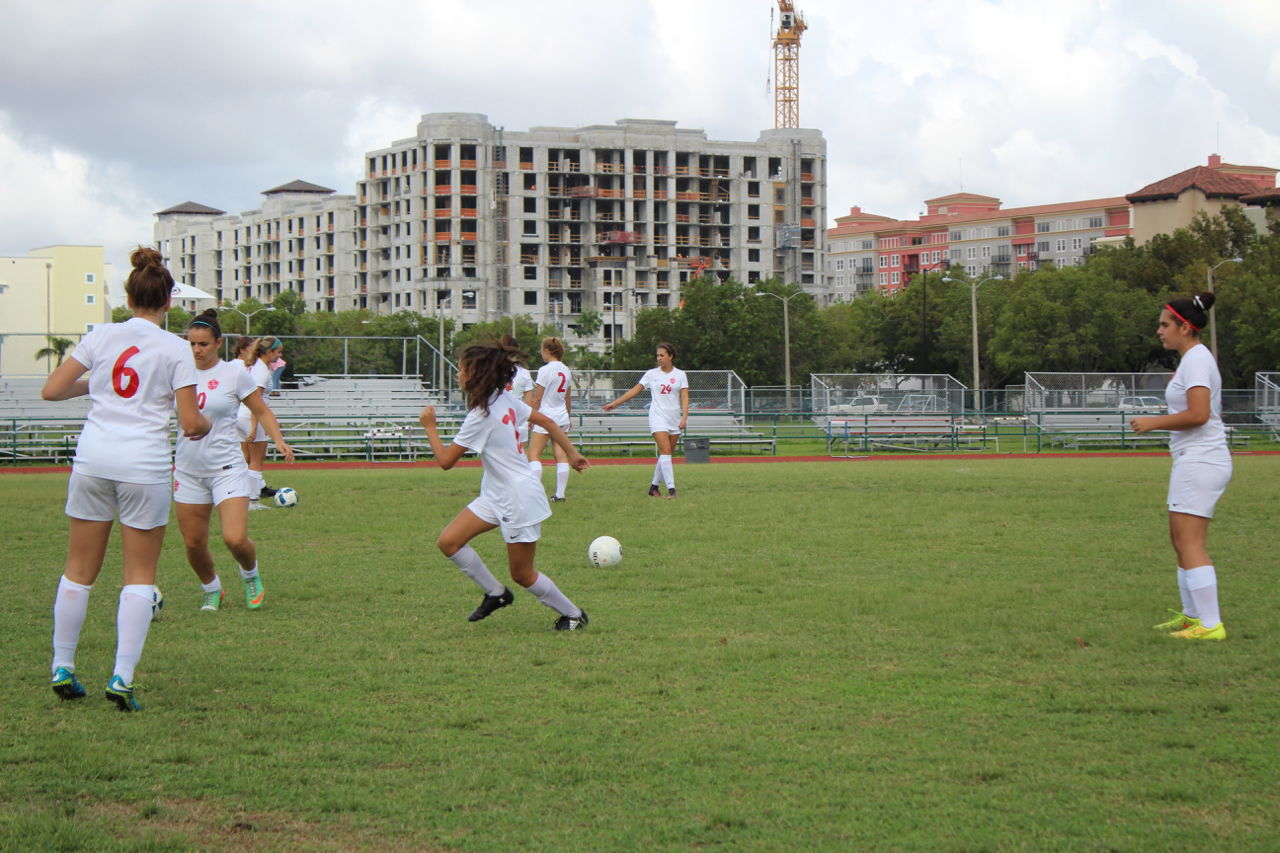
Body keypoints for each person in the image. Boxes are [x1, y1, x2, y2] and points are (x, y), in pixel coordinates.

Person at [43, 246, 211, 712]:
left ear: (129, 295)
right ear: (168, 302)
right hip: (143, 465)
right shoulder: (177, 348)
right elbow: (190, 422)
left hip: (93, 459)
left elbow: (52, 389)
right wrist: (209, 424)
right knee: (139, 576)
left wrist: (95, 384)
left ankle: (62, 666)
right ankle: (121, 678)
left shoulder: (100, 336)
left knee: (78, 571)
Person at [419, 339, 591, 631]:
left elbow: (446, 461)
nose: (458, 375)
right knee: (449, 542)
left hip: (517, 498)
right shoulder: (502, 398)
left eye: (461, 370)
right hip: (497, 493)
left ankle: (574, 615)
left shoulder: (481, 414)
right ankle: (496, 594)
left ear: (475, 374)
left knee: (522, 574)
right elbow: (549, 422)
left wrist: (430, 428)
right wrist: (571, 453)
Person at [176, 310, 295, 613]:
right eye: (191, 344)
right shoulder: (177, 372)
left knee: (235, 539)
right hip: (188, 472)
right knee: (193, 544)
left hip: (226, 468)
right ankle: (212, 589)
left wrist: (278, 439)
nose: (196, 350)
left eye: (203, 344)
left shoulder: (233, 373)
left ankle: (250, 575)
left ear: (217, 343)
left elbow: (262, 410)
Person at [1131, 292, 1232, 641]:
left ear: (1185, 327)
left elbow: (1200, 414)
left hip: (1202, 459)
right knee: (1180, 541)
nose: (1159, 331)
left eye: (1165, 324)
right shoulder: (1191, 359)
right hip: (1193, 459)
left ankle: (1210, 624)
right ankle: (1193, 616)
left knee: (1190, 543)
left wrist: (1153, 423)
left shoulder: (1197, 361)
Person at [602, 342, 689, 498]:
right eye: (657, 355)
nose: (659, 358)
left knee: (667, 455)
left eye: (662, 355)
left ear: (671, 356)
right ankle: (672, 489)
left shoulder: (680, 375)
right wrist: (615, 403)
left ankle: (654, 488)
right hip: (658, 417)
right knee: (665, 451)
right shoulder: (651, 374)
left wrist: (684, 418)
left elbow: (684, 397)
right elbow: (635, 390)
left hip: (674, 418)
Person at [235, 336, 284, 509]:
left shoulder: (251, 366)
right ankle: (252, 501)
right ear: (268, 352)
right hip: (251, 417)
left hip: (240, 415)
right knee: (257, 459)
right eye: (278, 352)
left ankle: (239, 496)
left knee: (244, 459)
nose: (279, 356)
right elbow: (257, 401)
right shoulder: (262, 371)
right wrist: (255, 426)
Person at [526, 337, 574, 501]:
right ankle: (560, 495)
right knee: (560, 456)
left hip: (546, 416)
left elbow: (538, 398)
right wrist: (568, 416)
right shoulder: (566, 370)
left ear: (547, 351)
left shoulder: (545, 370)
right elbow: (568, 398)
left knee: (533, 455)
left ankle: (532, 494)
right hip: (561, 417)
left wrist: (532, 416)